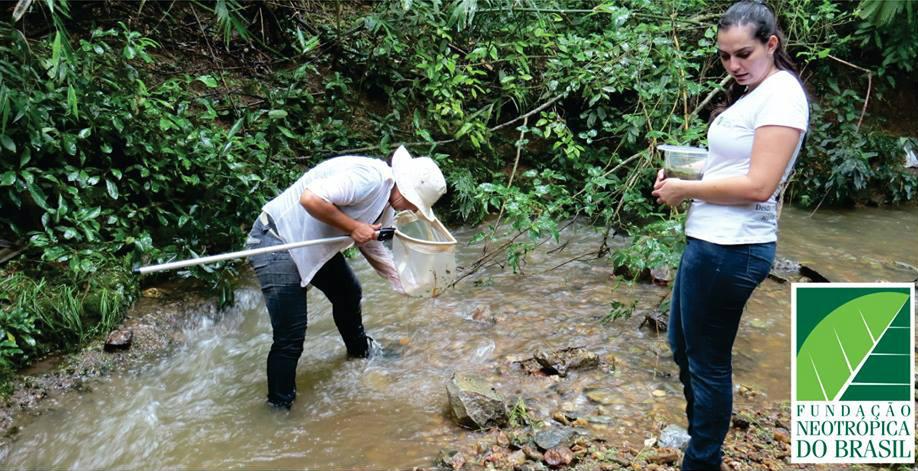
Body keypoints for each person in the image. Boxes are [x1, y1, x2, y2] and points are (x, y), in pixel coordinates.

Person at [651, 1, 809, 469]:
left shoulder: (782, 95)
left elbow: (760, 185)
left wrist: (687, 189)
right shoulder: (755, 93)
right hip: (711, 241)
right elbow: (736, 164)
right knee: (683, 347)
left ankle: (701, 461)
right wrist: (687, 174)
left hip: (733, 248)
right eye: (724, 56)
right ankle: (704, 452)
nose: (733, 66)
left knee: (707, 363)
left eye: (743, 54)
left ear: (771, 44)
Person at [245, 145, 447, 409]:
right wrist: (353, 227)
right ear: (406, 190)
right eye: (415, 203)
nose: (414, 209)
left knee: (348, 293)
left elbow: (369, 241)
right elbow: (311, 199)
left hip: (309, 244)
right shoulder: (369, 177)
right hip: (276, 240)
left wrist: (402, 282)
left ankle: (361, 352)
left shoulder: (388, 204)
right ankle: (279, 408)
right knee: (290, 335)